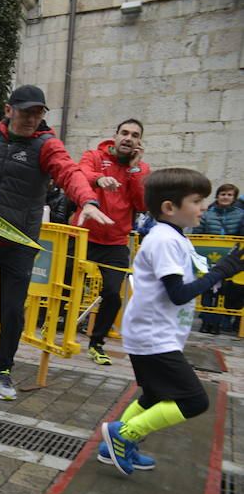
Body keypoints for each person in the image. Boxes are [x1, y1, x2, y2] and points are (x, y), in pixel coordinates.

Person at [0, 84, 113, 400]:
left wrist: (87, 200)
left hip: (19, 244)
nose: (32, 118)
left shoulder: (47, 145)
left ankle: (4, 372)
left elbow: (69, 173)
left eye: (38, 112)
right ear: (8, 110)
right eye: (26, 111)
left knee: (12, 311)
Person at [101, 168, 244, 475]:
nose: (203, 207)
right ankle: (122, 436)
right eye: (196, 200)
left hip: (157, 333)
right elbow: (178, 293)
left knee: (155, 396)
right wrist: (222, 271)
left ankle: (110, 446)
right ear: (169, 208)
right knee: (193, 401)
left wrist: (221, 271)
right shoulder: (164, 240)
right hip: (153, 337)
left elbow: (191, 279)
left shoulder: (177, 237)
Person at [73, 119, 150, 365]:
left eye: (134, 135)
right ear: (115, 136)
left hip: (115, 241)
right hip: (84, 234)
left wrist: (135, 171)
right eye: (124, 133)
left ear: (139, 142)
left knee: (113, 295)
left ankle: (96, 344)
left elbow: (142, 204)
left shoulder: (141, 169)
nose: (128, 138)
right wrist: (98, 179)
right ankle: (51, 328)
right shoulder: (94, 155)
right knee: (64, 284)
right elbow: (81, 173)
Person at [192, 183, 244, 334]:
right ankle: (207, 322)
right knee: (207, 288)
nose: (226, 197)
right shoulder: (208, 214)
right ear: (217, 196)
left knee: (225, 291)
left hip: (229, 257)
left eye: (229, 195)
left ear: (234, 198)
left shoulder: (240, 214)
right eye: (223, 194)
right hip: (209, 255)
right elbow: (198, 232)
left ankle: (218, 323)